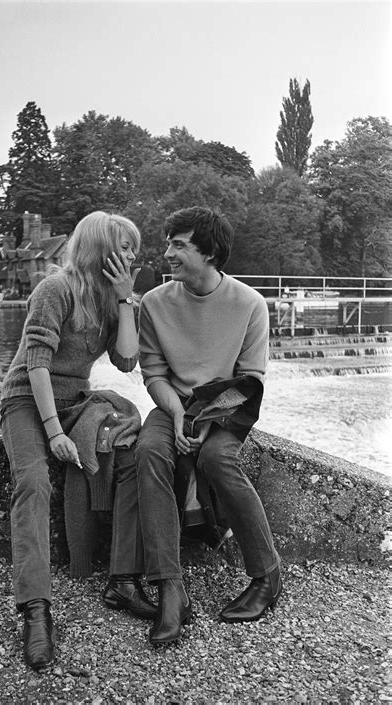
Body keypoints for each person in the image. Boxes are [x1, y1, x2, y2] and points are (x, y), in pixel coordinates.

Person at [0, 211, 156, 670]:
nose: (133, 255)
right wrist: (52, 432)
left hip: (77, 401)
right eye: (125, 247)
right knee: (34, 483)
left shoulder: (113, 299)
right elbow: (37, 364)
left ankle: (123, 579)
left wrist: (127, 302)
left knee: (131, 453)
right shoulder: (55, 288)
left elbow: (127, 362)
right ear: (100, 246)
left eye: (134, 248)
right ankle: (35, 611)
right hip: (29, 399)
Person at [135, 206, 282, 646]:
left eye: (178, 245)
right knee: (149, 452)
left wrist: (207, 419)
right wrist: (179, 414)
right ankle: (170, 588)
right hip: (173, 405)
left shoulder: (250, 304)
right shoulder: (155, 304)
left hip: (227, 407)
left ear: (210, 252)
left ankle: (267, 575)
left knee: (218, 459)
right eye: (169, 243)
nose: (167, 253)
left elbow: (251, 379)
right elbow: (154, 376)